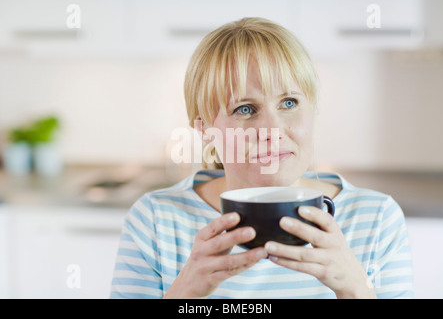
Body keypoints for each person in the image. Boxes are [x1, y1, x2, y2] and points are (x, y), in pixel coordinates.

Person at [110, 17, 413, 299]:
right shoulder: (155, 220)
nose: (272, 130)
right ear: (205, 129)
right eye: (245, 109)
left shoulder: (377, 220)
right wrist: (183, 293)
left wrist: (357, 290)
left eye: (289, 102)